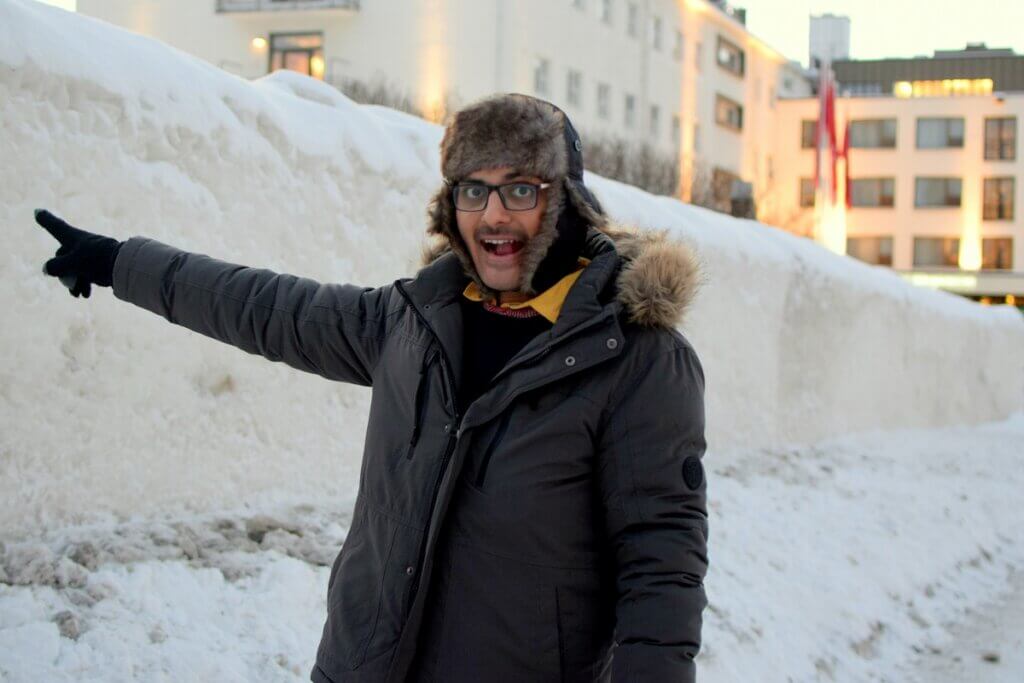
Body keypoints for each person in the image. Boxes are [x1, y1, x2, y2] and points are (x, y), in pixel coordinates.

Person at [35, 93, 708, 683]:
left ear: (565, 203)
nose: (494, 215)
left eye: (521, 190)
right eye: (474, 190)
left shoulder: (633, 359)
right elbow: (268, 308)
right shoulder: (415, 320)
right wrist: (119, 262)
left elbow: (660, 572)